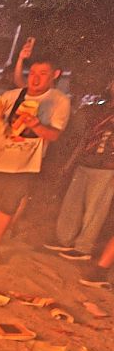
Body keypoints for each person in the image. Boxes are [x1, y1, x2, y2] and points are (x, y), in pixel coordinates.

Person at [0, 55, 71, 263]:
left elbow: (54, 135)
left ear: (55, 75)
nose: (35, 79)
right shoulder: (10, 96)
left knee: (7, 207)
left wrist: (34, 124)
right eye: (33, 73)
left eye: (42, 74)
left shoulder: (58, 101)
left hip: (26, 164)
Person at [44, 76, 114, 261]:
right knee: (72, 203)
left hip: (107, 167)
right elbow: (85, 136)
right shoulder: (101, 108)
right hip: (86, 160)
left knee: (95, 209)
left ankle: (83, 247)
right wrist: (71, 161)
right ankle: (64, 239)